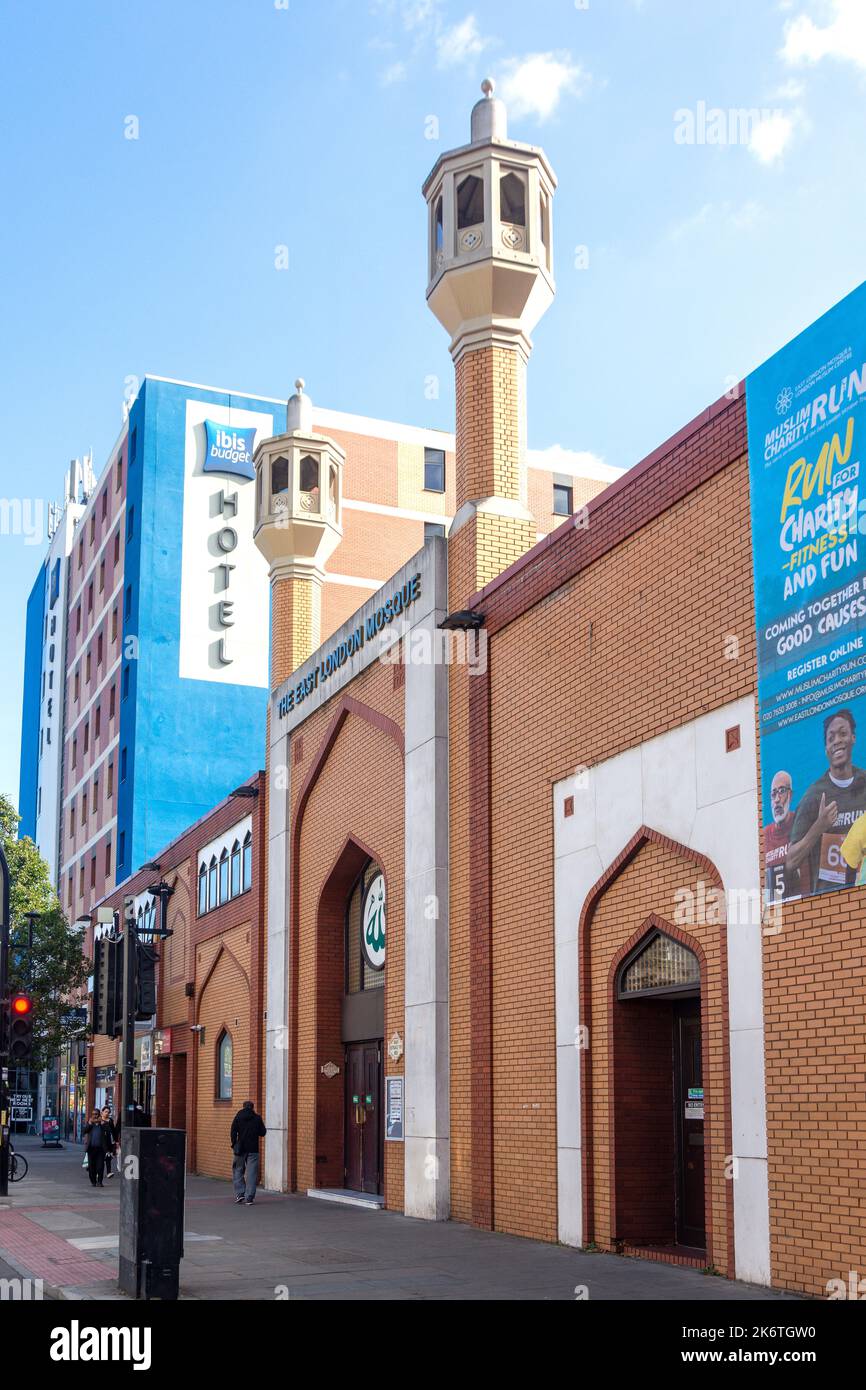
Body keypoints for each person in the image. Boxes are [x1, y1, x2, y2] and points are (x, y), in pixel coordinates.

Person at [786, 709, 866, 894]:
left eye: (843, 733)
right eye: (831, 738)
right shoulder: (813, 796)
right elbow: (791, 861)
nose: (837, 740)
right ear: (826, 749)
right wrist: (819, 827)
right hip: (830, 900)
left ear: (853, 738)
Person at [762, 770, 808, 901]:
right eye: (773, 794)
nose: (777, 800)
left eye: (781, 791)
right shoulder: (765, 835)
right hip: (777, 912)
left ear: (790, 795)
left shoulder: (801, 823)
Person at [230, 1100, 266, 1205]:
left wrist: (234, 1144)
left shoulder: (238, 1116)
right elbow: (263, 1133)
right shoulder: (257, 1118)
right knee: (252, 1173)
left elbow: (233, 1131)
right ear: (252, 1107)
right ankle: (249, 1197)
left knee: (238, 1170)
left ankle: (240, 1194)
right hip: (253, 1149)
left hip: (240, 1149)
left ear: (243, 1107)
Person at [82, 1108, 112, 1188]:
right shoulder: (90, 1123)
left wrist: (102, 1123)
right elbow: (84, 1131)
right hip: (91, 1149)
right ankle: (93, 1181)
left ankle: (99, 1182)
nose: (95, 1116)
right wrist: (90, 1124)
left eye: (96, 1114)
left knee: (100, 1166)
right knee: (92, 1167)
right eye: (93, 1114)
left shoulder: (103, 1124)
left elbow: (109, 1131)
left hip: (100, 1149)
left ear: (99, 1115)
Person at [100, 1105, 118, 1178]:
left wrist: (116, 1141)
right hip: (101, 1142)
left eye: (108, 1112)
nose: (107, 1113)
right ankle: (98, 1172)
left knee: (108, 1157)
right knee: (101, 1158)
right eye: (105, 1112)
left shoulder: (110, 1120)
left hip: (109, 1141)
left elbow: (113, 1131)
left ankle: (109, 1172)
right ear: (102, 1112)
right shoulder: (99, 1121)